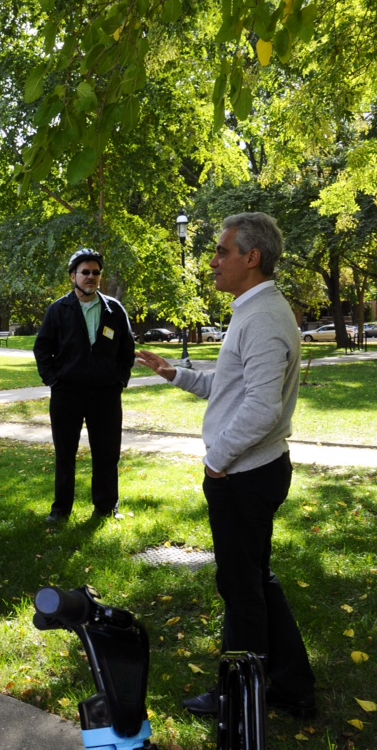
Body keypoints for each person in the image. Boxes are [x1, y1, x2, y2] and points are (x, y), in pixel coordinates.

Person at [137, 211, 316, 719]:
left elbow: (260, 408)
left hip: (245, 475)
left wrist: (217, 461)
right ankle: (291, 686)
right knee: (256, 581)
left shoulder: (261, 318)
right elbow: (231, 386)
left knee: (241, 589)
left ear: (251, 257)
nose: (212, 261)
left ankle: (240, 697)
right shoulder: (254, 310)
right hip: (252, 471)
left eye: (222, 252)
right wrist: (176, 373)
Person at [34, 248, 136, 523]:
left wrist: (119, 381)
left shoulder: (114, 310)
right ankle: (61, 510)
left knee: (107, 453)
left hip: (105, 395)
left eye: (96, 273)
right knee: (65, 454)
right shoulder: (58, 310)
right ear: (73, 277)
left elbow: (128, 349)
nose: (91, 277)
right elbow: (42, 349)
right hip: (67, 394)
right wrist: (53, 381)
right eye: (85, 272)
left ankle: (105, 506)